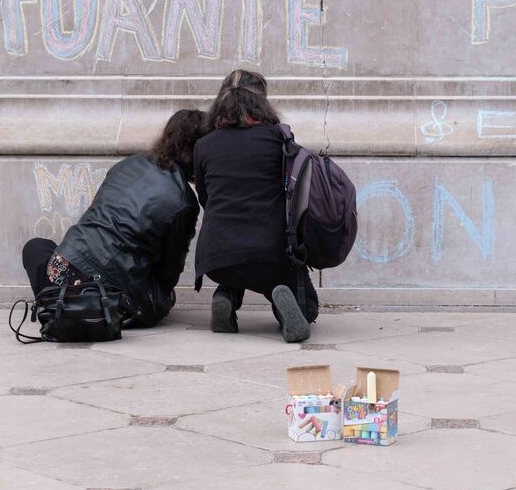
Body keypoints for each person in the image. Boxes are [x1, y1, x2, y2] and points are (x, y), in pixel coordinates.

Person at [20, 109, 205, 329]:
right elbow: (169, 270)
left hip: (67, 268)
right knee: (164, 299)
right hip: (118, 292)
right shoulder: (185, 201)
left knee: (35, 247)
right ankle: (90, 308)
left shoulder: (127, 163)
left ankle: (61, 302)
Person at [193, 69, 318, 342]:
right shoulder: (277, 139)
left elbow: (206, 199)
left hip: (217, 258)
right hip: (269, 255)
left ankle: (226, 294)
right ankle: (281, 298)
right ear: (262, 103)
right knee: (307, 306)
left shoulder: (203, 145)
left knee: (237, 266)